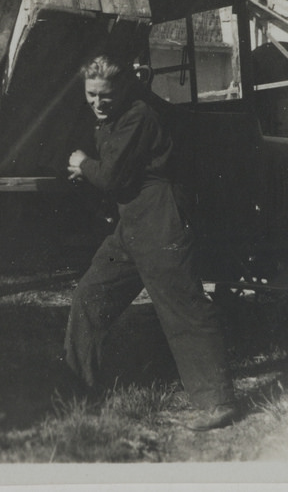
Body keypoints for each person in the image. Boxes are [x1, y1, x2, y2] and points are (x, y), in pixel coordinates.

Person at [63, 54, 238, 430]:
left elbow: (111, 177)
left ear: (123, 88)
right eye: (91, 94)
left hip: (162, 222)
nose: (97, 102)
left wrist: (83, 165)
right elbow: (119, 174)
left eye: (105, 95)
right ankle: (78, 389)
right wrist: (92, 171)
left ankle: (218, 402)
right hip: (133, 226)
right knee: (90, 297)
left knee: (184, 308)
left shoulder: (138, 115)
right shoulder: (114, 118)